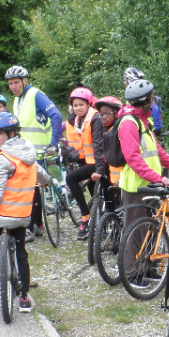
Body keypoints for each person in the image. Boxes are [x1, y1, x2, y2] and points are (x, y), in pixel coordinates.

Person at [0, 112, 50, 313]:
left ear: (11, 133)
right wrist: (47, 182)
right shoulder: (27, 151)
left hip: (0, 216)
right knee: (21, 251)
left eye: (0, 134)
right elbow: (41, 174)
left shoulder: (1, 159)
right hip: (23, 217)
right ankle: (24, 297)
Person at [5, 65, 63, 242]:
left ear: (25, 81)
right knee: (34, 189)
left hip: (39, 151)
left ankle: (28, 229)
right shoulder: (17, 100)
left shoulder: (35, 95)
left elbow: (56, 116)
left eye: (16, 83)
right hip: (26, 152)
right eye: (10, 84)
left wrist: (53, 143)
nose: (13, 87)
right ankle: (37, 225)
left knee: (27, 190)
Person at [117, 79, 169, 239]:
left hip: (150, 185)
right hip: (136, 188)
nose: (153, 99)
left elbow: (155, 149)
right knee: (137, 236)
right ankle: (134, 266)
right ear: (147, 100)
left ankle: (150, 265)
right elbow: (133, 158)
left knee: (153, 233)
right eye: (151, 97)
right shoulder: (129, 123)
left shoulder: (142, 120)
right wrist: (157, 177)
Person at [61, 87, 102, 240]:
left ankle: (86, 216)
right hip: (88, 160)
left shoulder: (94, 118)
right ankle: (99, 218)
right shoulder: (79, 120)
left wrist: (98, 167)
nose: (77, 108)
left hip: (97, 162)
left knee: (71, 178)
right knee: (91, 186)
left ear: (89, 104)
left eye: (81, 105)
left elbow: (97, 144)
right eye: (75, 105)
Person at [95, 95, 124, 212]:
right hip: (110, 172)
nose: (103, 117)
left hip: (122, 176)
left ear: (117, 113)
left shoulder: (121, 129)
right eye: (101, 114)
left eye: (106, 114)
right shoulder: (104, 129)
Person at [122, 67, 163, 132]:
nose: (123, 83)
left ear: (129, 81)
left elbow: (155, 111)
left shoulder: (142, 97)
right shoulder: (135, 97)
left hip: (147, 130)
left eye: (124, 80)